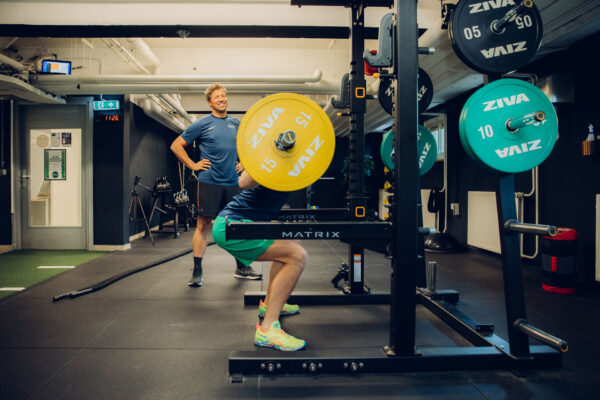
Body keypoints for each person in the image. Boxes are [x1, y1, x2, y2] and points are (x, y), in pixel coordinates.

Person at [170, 83, 263, 287]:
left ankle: (242, 266)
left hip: (233, 182)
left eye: (223, 96)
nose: (221, 99)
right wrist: (193, 165)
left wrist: (244, 163)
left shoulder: (236, 124)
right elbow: (176, 145)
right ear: (210, 102)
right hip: (209, 182)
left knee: (237, 225)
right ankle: (197, 271)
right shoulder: (201, 124)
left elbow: (248, 147)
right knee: (203, 224)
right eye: (217, 97)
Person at [212, 170, 306, 351]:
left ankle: (269, 304)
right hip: (232, 224)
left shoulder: (293, 162)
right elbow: (244, 182)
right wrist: (270, 159)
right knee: (297, 256)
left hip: (244, 221)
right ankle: (268, 330)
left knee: (291, 243)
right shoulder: (272, 159)